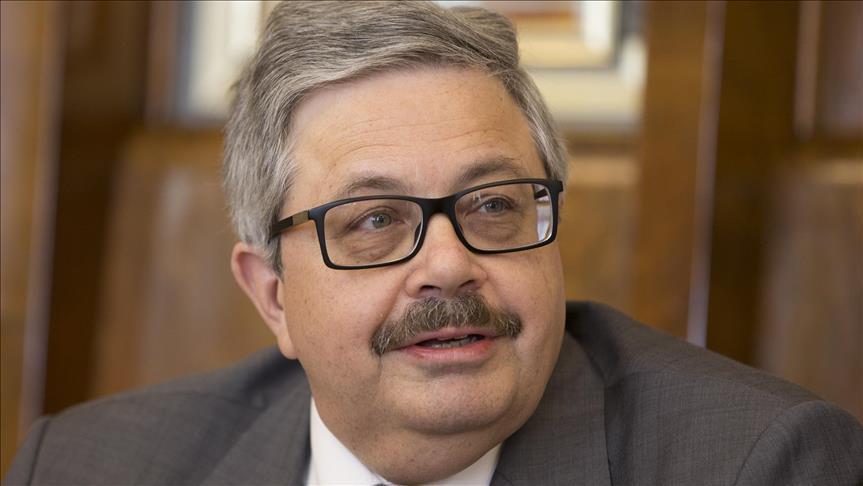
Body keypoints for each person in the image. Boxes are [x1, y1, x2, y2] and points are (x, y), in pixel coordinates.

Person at [5, 1, 862, 484]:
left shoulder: (757, 466)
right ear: (272, 295)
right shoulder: (88, 468)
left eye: (491, 206)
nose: (449, 264)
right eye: (374, 221)